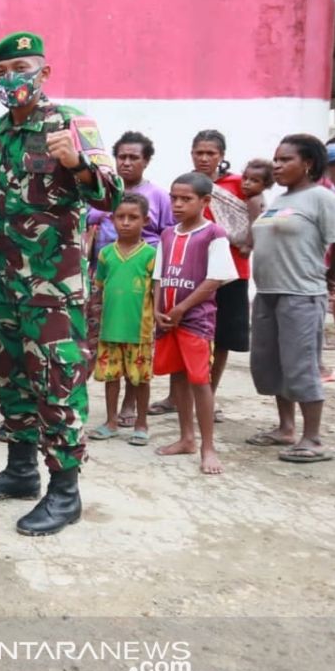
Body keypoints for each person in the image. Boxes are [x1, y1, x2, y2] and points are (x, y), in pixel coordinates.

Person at [0, 32, 122, 537]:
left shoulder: (72, 122)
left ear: (44, 72)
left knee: (57, 382)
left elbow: (111, 196)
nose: (12, 78)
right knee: (10, 378)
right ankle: (20, 471)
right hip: (6, 287)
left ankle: (65, 492)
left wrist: (76, 164)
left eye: (21, 67)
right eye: (1, 72)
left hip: (53, 288)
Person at [246, 135, 335, 463]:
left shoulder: (321, 198)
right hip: (268, 294)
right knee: (271, 365)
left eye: (285, 160)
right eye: (276, 159)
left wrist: (329, 281)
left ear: (308, 164)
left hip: (301, 294)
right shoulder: (278, 200)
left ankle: (312, 439)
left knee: (301, 366)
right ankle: (285, 428)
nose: (277, 165)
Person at [150, 130, 250, 420]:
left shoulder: (238, 186)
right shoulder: (184, 186)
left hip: (229, 272)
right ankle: (174, 397)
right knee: (177, 333)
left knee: (221, 337)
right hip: (186, 275)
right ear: (191, 153)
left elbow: (252, 222)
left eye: (211, 153)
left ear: (222, 156)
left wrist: (247, 244)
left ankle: (209, 395)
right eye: (199, 152)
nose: (205, 158)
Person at [84, 131, 173, 428]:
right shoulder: (105, 192)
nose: (126, 162)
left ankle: (130, 405)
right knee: (101, 341)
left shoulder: (158, 196)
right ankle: (100, 408)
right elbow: (86, 221)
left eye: (134, 157)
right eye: (122, 156)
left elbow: (169, 235)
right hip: (107, 273)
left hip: (142, 278)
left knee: (136, 348)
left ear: (146, 161)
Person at [152, 172, 237, 475]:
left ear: (205, 201)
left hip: (196, 321)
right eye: (174, 198)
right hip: (168, 321)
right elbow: (158, 277)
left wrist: (182, 308)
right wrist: (158, 309)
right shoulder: (167, 234)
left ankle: (208, 447)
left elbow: (215, 279)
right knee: (177, 377)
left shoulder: (214, 235)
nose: (177, 204)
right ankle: (186, 438)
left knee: (200, 380)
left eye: (186, 199)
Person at [87, 194, 157, 445]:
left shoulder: (151, 255)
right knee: (110, 377)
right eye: (120, 217)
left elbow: (155, 292)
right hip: (109, 328)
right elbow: (99, 288)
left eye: (133, 217)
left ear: (145, 220)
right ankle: (111, 421)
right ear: (112, 219)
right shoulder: (106, 254)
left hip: (140, 330)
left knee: (140, 378)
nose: (126, 222)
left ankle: (141, 423)